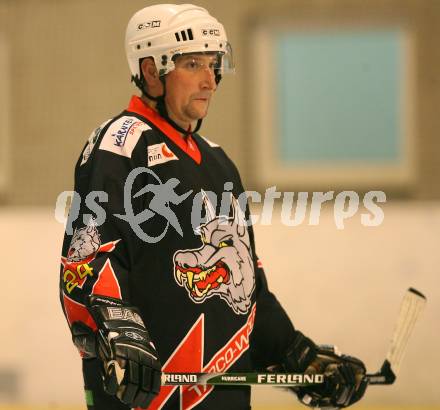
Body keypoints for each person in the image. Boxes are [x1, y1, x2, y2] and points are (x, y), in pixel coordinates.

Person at [59, 4, 368, 410]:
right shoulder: (120, 145)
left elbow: (248, 286)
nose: (211, 80)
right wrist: (121, 333)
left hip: (224, 397)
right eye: (193, 64)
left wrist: (299, 356)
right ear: (151, 71)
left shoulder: (220, 163)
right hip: (146, 398)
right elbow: (86, 260)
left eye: (214, 64)